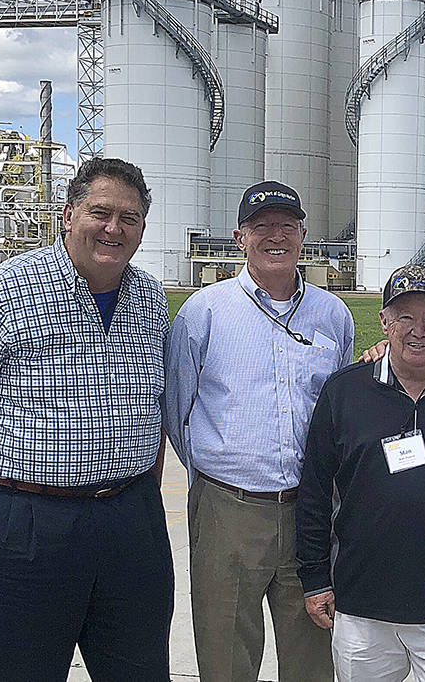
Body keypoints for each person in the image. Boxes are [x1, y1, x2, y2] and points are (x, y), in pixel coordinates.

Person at [0, 157, 174, 681]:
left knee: (140, 670)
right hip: (23, 524)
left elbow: (158, 408)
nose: (113, 228)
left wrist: (145, 498)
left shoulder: (150, 297)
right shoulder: (6, 291)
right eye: (100, 212)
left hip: (128, 520)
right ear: (66, 215)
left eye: (130, 218)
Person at [164, 180, 354, 682]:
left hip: (310, 509)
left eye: (286, 226)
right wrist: (224, 467)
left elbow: (341, 410)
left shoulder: (332, 314)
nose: (275, 236)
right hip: (230, 508)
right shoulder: (202, 312)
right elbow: (178, 412)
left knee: (313, 651)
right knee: (226, 653)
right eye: (261, 225)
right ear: (239, 236)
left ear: (303, 234)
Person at [297, 264, 425, 682]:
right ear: (384, 322)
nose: (419, 330)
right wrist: (315, 578)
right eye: (405, 317)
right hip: (361, 607)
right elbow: (315, 494)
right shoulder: (344, 392)